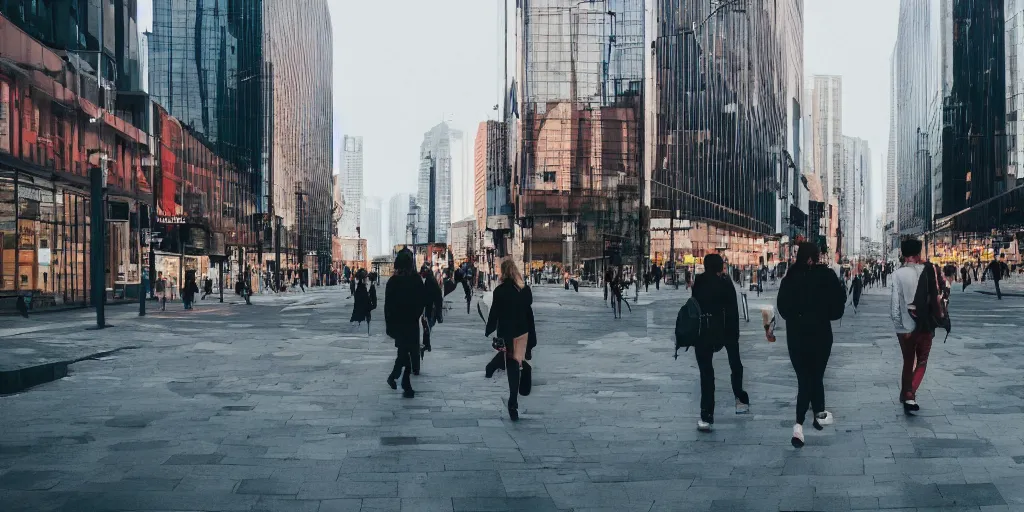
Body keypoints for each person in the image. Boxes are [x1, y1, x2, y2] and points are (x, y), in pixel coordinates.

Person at [777, 243, 846, 447]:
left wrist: (796, 316)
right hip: (820, 333)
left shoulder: (790, 277)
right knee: (815, 375)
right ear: (814, 257)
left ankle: (811, 417)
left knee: (804, 377)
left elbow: (782, 308)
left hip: (796, 334)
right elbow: (838, 308)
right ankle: (807, 419)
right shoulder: (826, 276)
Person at [690, 254, 747, 432]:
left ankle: (706, 415)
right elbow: (732, 309)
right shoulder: (725, 283)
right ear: (719, 267)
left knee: (706, 374)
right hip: (726, 330)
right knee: (735, 365)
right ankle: (740, 399)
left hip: (703, 332)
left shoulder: (699, 282)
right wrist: (734, 334)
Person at [485, 258, 536, 421]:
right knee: (517, 362)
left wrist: (489, 329)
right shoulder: (525, 290)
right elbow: (529, 314)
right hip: (522, 333)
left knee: (512, 366)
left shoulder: (499, 291)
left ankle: (512, 399)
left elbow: (494, 313)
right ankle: (513, 398)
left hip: (507, 334)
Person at [890, 239, 937, 415]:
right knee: (922, 360)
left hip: (904, 324)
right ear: (918, 253)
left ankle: (906, 393)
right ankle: (909, 394)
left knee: (908, 361)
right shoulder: (928, 270)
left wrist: (900, 329)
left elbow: (895, 306)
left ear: (903, 254)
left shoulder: (898, 274)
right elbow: (935, 299)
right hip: (924, 322)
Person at [385, 250, 426, 398]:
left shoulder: (393, 281)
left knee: (403, 353)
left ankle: (397, 379)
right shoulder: (416, 279)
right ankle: (402, 382)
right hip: (411, 323)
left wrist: (390, 325)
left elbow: (388, 306)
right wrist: (416, 315)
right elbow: (422, 300)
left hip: (399, 324)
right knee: (408, 353)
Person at [420, 264, 444, 362]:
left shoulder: (430, 281)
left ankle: (427, 344)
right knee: (427, 325)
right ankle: (427, 344)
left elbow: (430, 295)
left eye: (422, 273)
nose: (421, 275)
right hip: (432, 307)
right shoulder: (431, 279)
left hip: (431, 308)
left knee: (427, 326)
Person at [351, 269, 377, 334]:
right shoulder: (369, 286)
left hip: (359, 311)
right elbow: (374, 298)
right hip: (366, 310)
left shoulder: (357, 286)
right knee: (366, 323)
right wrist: (372, 306)